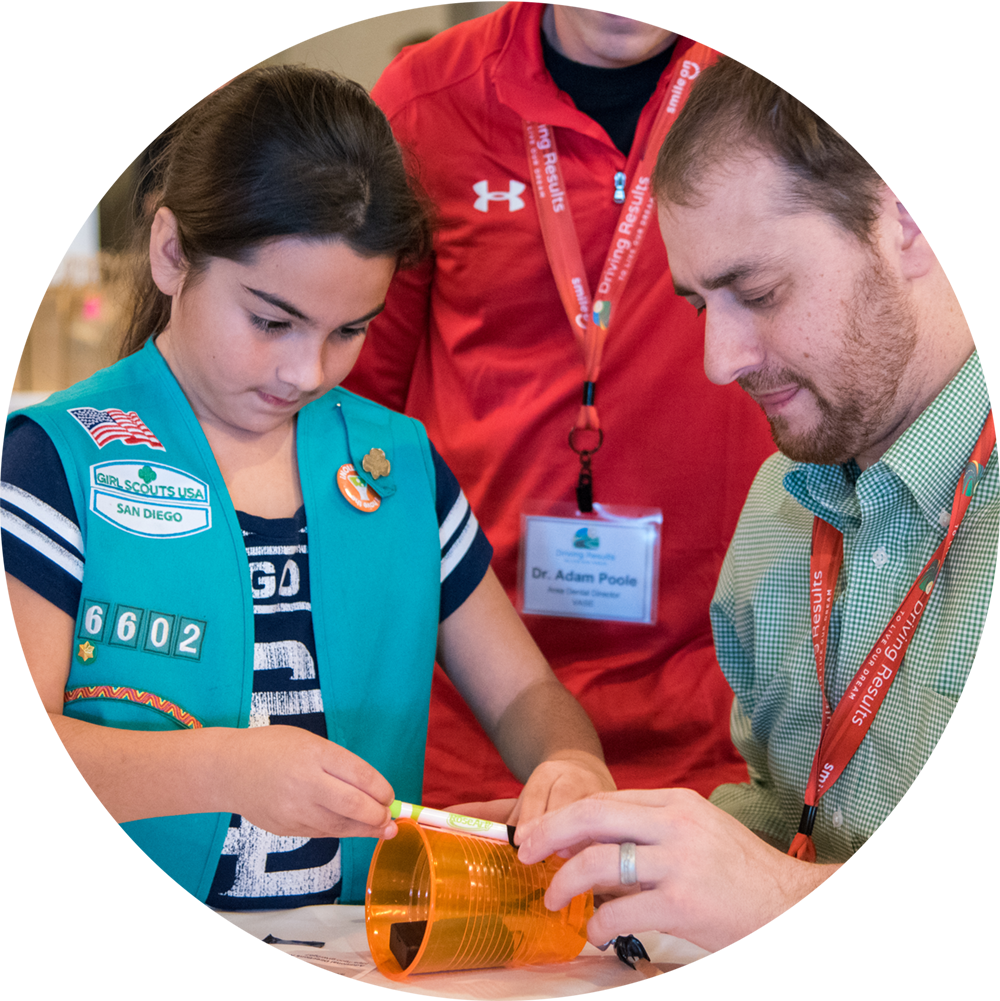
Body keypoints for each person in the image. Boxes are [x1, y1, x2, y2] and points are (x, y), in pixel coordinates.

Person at [0, 65, 614, 912]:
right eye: (271, 320)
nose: (306, 370)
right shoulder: (55, 463)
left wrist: (570, 763)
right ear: (173, 253)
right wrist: (224, 767)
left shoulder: (396, 467)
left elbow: (525, 694)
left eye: (348, 331)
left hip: (343, 953)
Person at [515, 56, 996, 951]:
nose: (718, 360)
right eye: (702, 305)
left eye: (760, 293)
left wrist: (787, 905)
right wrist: (628, 857)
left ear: (913, 222)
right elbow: (794, 807)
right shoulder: (782, 504)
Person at [345, 0, 776, 808]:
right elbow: (356, 415)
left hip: (726, 711)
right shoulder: (425, 104)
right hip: (478, 713)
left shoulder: (780, 82)